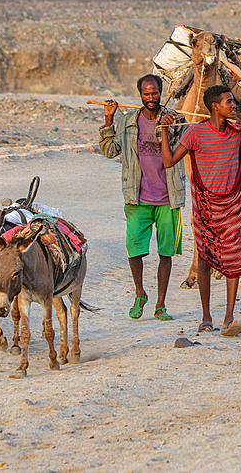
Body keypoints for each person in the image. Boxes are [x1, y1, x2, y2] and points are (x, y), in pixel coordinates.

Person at [159, 84, 241, 336]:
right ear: (214, 107)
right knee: (205, 258)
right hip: (207, 208)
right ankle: (206, 316)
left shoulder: (237, 131)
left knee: (234, 259)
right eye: (229, 102)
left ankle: (229, 317)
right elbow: (169, 162)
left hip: (233, 205)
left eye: (233, 102)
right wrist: (165, 131)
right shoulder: (195, 133)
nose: (234, 106)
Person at [99, 74, 186, 321]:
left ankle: (161, 305)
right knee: (134, 249)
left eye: (155, 93)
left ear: (161, 92)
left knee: (166, 253)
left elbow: (184, 148)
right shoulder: (128, 121)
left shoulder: (177, 120)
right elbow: (109, 151)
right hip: (137, 198)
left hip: (169, 197)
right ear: (140, 95)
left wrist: (169, 129)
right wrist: (108, 119)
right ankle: (140, 294)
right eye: (146, 94)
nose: (151, 98)